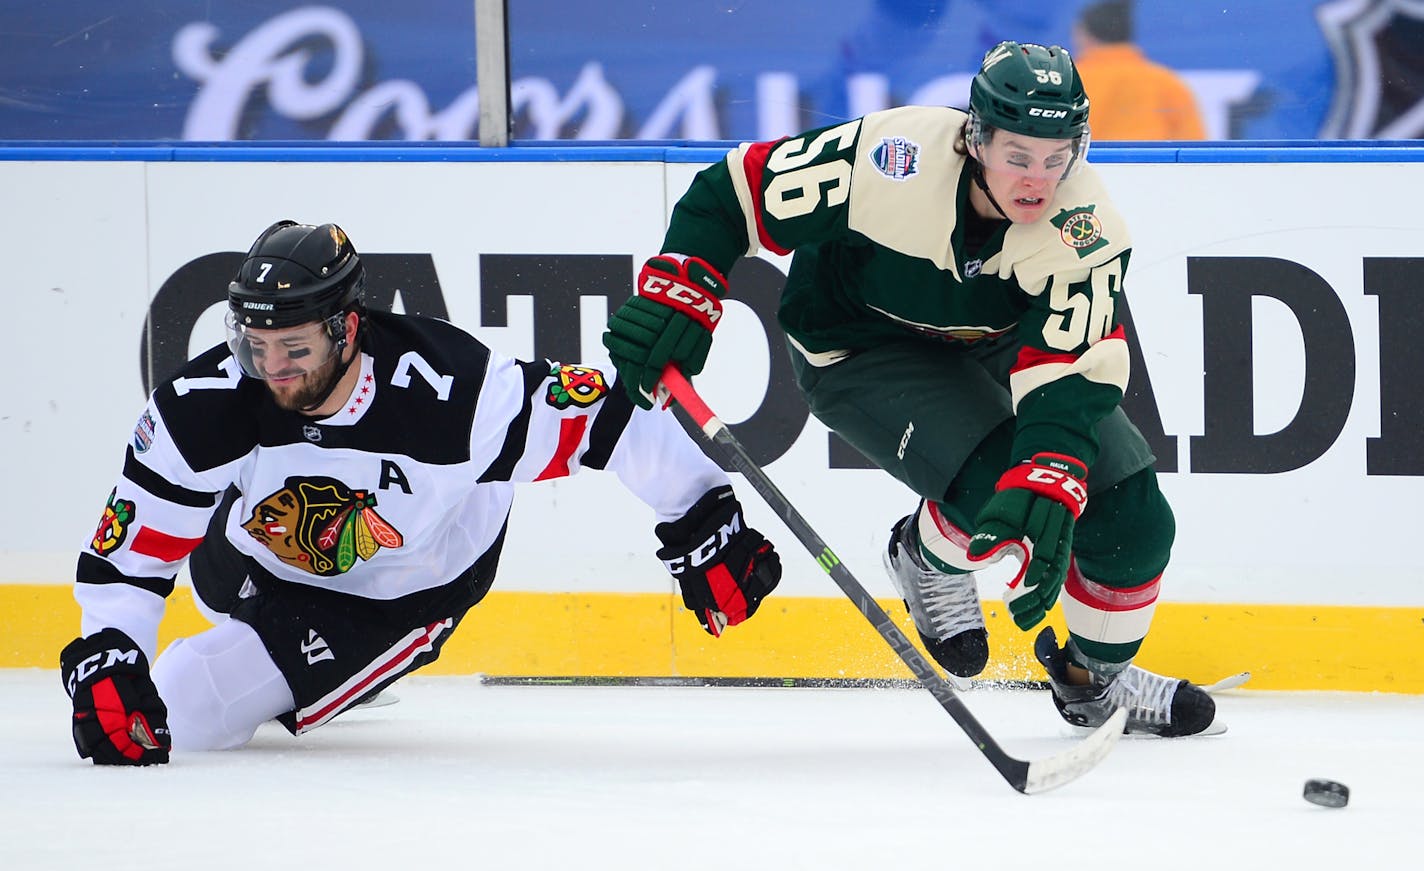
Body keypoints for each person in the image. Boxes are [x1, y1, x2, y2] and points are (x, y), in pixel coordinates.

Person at [604, 41, 1218, 736]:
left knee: (1131, 517)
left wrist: (1054, 470)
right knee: (991, 493)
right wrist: (683, 285)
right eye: (1017, 155)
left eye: (1057, 157)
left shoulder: (1087, 230)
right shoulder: (891, 159)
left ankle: (1092, 679)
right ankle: (923, 558)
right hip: (861, 348)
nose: (1037, 181)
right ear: (976, 136)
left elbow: (1070, 378)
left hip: (999, 342)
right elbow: (733, 193)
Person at [61, 220, 782, 765]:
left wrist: (703, 511)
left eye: (295, 348)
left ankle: (357, 670)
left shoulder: (453, 395)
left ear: (348, 330)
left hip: (397, 589)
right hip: (260, 550)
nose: (272, 368)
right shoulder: (202, 405)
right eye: (256, 344)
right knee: (201, 615)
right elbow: (132, 546)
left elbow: (613, 416)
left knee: (190, 704)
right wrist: (112, 644)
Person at [1069, 0, 1206, 140]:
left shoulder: (1069, 83)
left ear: (1082, 33)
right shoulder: (1167, 83)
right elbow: (1194, 149)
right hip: (1152, 162)